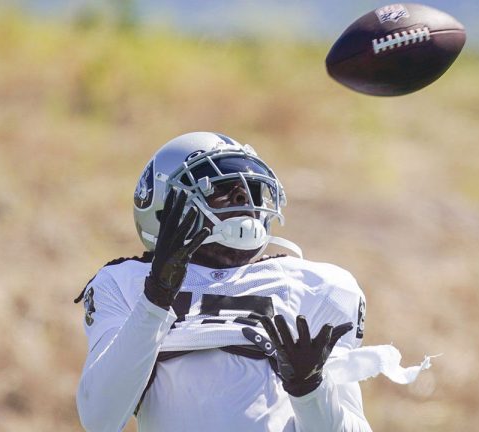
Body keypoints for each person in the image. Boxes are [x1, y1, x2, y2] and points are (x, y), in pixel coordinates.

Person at [75, 132, 372, 432]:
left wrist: (311, 390)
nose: (244, 198)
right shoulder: (126, 281)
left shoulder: (314, 286)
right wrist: (154, 300)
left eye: (251, 190)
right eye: (219, 188)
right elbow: (99, 419)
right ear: (165, 205)